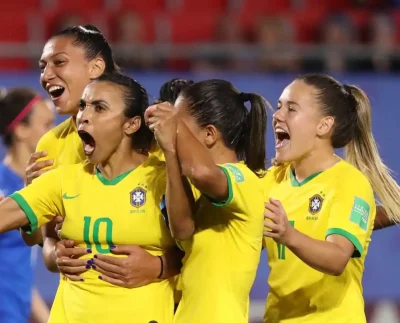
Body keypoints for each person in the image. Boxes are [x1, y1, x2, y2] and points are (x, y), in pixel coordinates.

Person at [0, 73, 182, 323]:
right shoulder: (63, 180)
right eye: (84, 106)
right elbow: (8, 216)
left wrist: (161, 265)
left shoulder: (163, 179)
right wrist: (53, 252)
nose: (83, 116)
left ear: (131, 124)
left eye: (100, 108)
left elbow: (206, 250)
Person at [25, 24, 171, 287]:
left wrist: (159, 266)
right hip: (81, 303)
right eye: (42, 67)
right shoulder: (51, 144)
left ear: (96, 68)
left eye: (59, 62)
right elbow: (43, 241)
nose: (47, 75)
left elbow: (197, 234)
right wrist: (55, 255)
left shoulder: (152, 135)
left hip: (153, 304)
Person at [262, 73, 400, 322]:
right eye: (280, 106)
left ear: (324, 126)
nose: (278, 115)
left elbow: (338, 257)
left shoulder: (349, 182)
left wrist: (288, 235)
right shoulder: (273, 180)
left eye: (292, 109)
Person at [146, 79, 268, 323]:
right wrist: (170, 152)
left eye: (179, 125)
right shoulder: (199, 190)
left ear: (210, 134)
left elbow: (200, 170)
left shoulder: (243, 179)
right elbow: (182, 228)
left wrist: (174, 127)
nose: (172, 130)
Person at [0, 88, 53, 323]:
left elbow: (19, 274)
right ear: (21, 129)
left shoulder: (37, 189)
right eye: (47, 125)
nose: (54, 134)